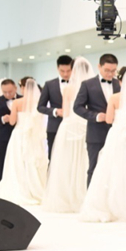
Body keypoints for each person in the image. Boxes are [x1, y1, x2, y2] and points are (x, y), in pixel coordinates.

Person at [80, 66, 126, 223]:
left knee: (113, 169)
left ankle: (112, 203)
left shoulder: (114, 98)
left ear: (120, 81)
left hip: (117, 135)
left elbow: (108, 119)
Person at [42, 57, 94, 213]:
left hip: (69, 127)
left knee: (67, 162)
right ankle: (85, 195)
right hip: (86, 126)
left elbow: (66, 113)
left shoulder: (68, 89)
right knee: (85, 161)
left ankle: (67, 196)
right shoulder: (93, 88)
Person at [0, 79, 48, 205]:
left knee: (17, 163)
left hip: (19, 135)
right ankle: (35, 189)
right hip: (33, 137)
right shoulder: (39, 103)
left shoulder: (17, 102)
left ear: (23, 88)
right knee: (32, 163)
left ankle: (20, 188)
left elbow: (12, 122)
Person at [74, 54, 120, 187]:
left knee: (114, 169)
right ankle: (91, 198)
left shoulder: (119, 84)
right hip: (96, 134)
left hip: (116, 133)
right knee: (94, 168)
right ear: (99, 67)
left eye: (113, 71)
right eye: (107, 70)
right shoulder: (87, 84)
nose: (110, 74)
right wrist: (96, 116)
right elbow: (77, 107)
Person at [38, 55, 74, 159]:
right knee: (53, 158)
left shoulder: (79, 84)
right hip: (54, 127)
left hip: (73, 127)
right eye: (62, 71)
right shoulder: (49, 84)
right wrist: (55, 111)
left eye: (68, 71)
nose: (65, 74)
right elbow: (40, 107)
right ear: (57, 68)